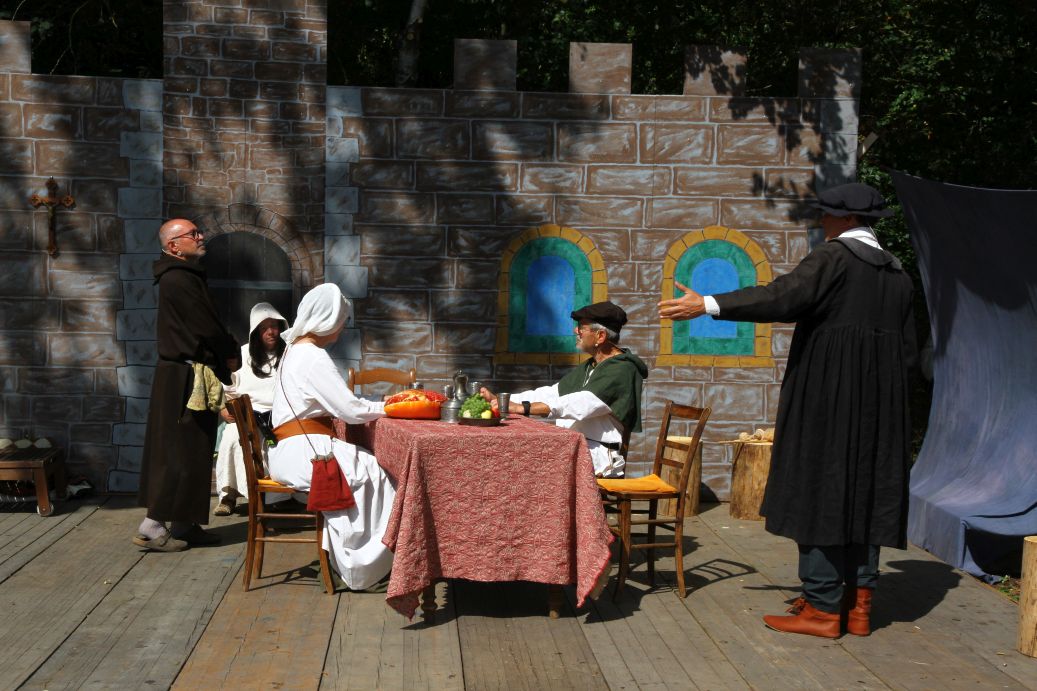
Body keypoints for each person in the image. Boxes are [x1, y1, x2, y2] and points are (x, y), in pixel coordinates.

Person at [658, 182, 915, 638]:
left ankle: (821, 608)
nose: (822, 221)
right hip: (880, 406)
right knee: (866, 493)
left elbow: (784, 296)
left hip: (828, 399)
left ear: (846, 218)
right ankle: (858, 606)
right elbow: (909, 352)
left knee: (821, 487)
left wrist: (709, 304)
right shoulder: (898, 275)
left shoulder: (834, 258)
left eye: (827, 214)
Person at [267, 283, 394, 591]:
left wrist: (378, 405)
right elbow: (349, 410)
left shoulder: (294, 351)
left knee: (366, 467)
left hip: (291, 451)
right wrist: (390, 407)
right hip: (306, 453)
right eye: (340, 320)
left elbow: (335, 402)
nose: (342, 328)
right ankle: (361, 568)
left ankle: (350, 561)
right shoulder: (312, 356)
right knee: (380, 473)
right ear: (327, 320)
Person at [135, 219, 240, 552]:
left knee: (195, 450)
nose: (200, 236)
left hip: (191, 374)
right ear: (173, 246)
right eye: (192, 234)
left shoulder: (186, 275)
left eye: (198, 232)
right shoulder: (178, 278)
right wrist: (230, 352)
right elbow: (206, 325)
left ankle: (184, 523)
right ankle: (152, 525)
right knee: (177, 450)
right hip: (182, 378)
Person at [480, 301, 648, 478]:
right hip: (577, 448)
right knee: (516, 458)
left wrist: (524, 408)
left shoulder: (622, 370)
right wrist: (504, 400)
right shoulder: (592, 366)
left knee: (525, 465)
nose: (576, 331)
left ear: (600, 336)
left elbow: (581, 403)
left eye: (581, 327)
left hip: (598, 455)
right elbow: (552, 393)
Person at [213, 302, 288, 516]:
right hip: (247, 416)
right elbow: (228, 386)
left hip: (281, 417)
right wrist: (225, 409)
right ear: (256, 331)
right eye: (264, 328)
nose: (271, 332)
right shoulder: (243, 354)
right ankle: (228, 495)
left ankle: (281, 496)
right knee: (231, 438)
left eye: (274, 326)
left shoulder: (290, 354)